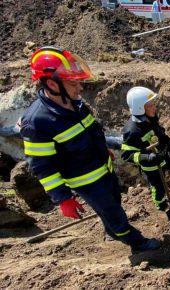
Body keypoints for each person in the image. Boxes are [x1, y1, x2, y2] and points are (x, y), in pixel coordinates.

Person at [20, 47, 160, 253]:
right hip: (87, 181)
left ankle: (112, 230)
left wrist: (103, 150)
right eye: (73, 83)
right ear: (52, 84)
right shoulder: (37, 122)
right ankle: (137, 243)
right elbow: (42, 167)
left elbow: (90, 132)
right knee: (114, 213)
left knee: (114, 203)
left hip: (104, 169)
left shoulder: (75, 104)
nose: (80, 88)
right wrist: (64, 199)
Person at [121, 87, 170, 215]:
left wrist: (168, 142)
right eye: (150, 105)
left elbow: (159, 133)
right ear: (140, 108)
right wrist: (147, 158)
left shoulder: (151, 118)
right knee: (159, 187)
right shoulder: (132, 130)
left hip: (163, 155)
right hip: (152, 167)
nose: (154, 107)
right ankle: (162, 205)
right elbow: (127, 155)